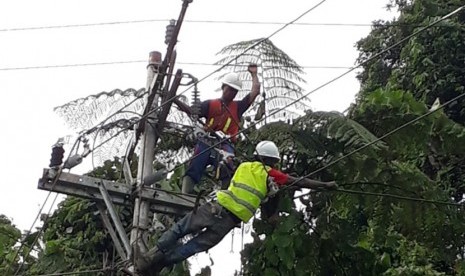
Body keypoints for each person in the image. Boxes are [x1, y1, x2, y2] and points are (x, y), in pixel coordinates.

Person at [134, 140, 338, 273]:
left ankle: (148, 259)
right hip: (229, 222)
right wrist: (325, 186)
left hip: (215, 207)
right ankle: (157, 266)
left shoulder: (244, 166)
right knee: (193, 247)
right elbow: (300, 181)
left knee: (180, 230)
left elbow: (227, 171)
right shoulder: (271, 174)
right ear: (273, 161)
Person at [174, 64, 261, 194]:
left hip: (226, 144)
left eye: (235, 91)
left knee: (228, 166)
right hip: (206, 140)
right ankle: (185, 193)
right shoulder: (210, 104)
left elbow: (255, 91)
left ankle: (225, 196)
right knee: (196, 163)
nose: (232, 93)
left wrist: (254, 74)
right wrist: (174, 99)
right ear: (223, 87)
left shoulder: (238, 107)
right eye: (230, 89)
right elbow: (192, 111)